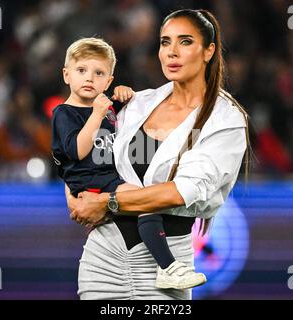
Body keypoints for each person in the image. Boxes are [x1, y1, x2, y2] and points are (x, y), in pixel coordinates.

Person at [67, 9, 251, 300]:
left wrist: (106, 202)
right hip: (102, 257)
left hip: (165, 268)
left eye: (185, 42)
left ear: (208, 51)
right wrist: (76, 197)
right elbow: (85, 154)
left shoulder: (225, 118)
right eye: (165, 42)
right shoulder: (138, 102)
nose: (172, 52)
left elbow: (180, 192)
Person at [51, 37, 207, 291]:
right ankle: (168, 267)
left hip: (110, 175)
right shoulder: (64, 113)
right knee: (146, 200)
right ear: (67, 75)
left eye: (99, 73)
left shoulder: (107, 107)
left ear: (108, 81)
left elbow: (125, 128)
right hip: (90, 179)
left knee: (143, 202)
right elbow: (77, 150)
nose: (89, 78)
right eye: (81, 71)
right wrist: (98, 114)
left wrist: (126, 95)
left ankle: (163, 266)